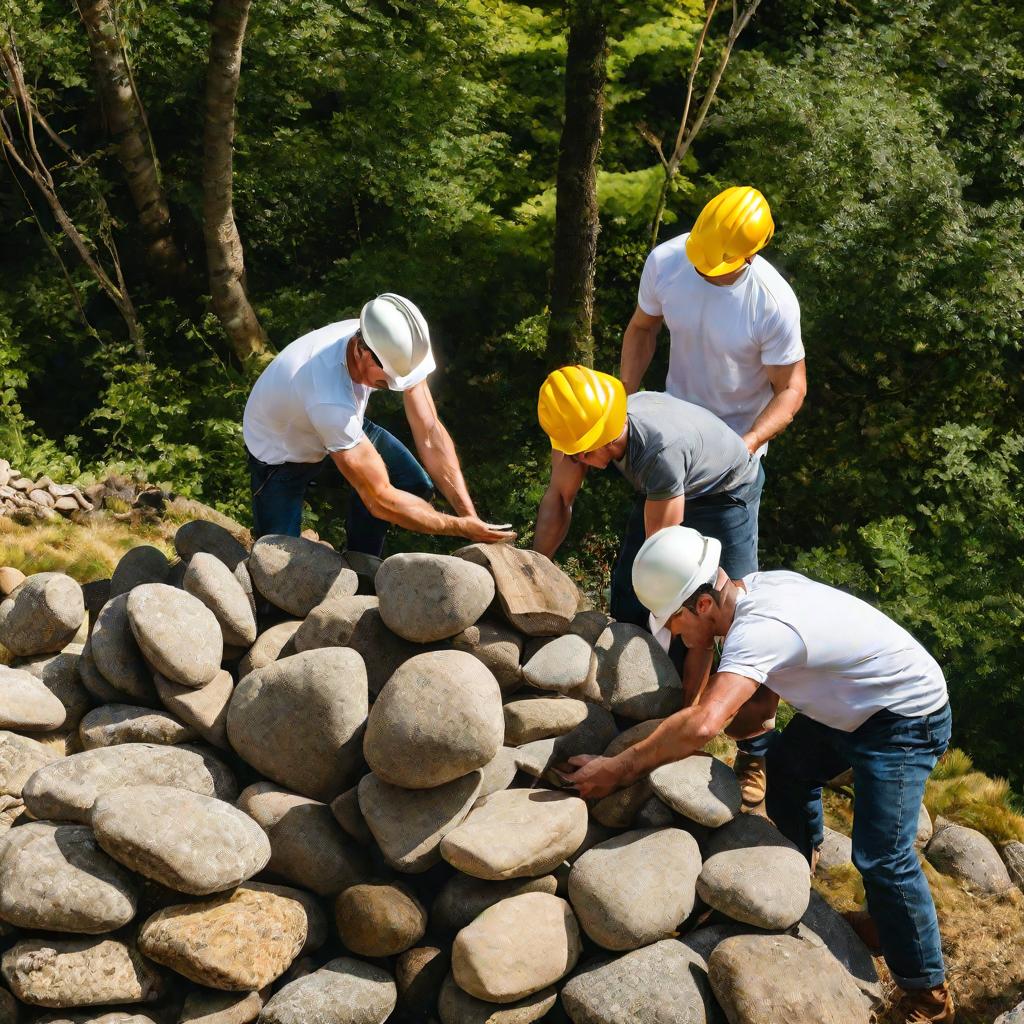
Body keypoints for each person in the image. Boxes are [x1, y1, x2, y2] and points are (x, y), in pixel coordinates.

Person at [561, 525, 954, 1024]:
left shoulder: (759, 627)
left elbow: (707, 723)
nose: (676, 634)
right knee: (789, 769)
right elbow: (757, 703)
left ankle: (929, 993)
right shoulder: (756, 591)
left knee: (882, 854)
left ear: (703, 604)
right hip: (855, 703)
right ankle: (799, 874)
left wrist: (621, 768)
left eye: (675, 621)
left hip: (903, 717)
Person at [619, 184, 808, 803]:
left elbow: (791, 389)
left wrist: (746, 444)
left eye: (718, 264)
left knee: (738, 617)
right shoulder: (670, 260)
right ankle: (638, 715)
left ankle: (754, 752)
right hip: (668, 451)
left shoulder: (771, 301)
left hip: (732, 477)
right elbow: (642, 328)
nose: (704, 268)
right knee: (642, 588)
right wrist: (623, 401)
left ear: (752, 254)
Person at [533, 365, 765, 712]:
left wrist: (669, 608)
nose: (576, 460)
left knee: (718, 610)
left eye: (582, 452)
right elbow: (559, 498)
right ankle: (626, 697)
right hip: (670, 486)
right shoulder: (579, 428)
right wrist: (535, 567)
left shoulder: (659, 452)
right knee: (629, 597)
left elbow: (667, 571)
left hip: (727, 493)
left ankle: (694, 723)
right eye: (572, 451)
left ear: (608, 436)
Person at [243, 293, 514, 553]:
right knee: (275, 560)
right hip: (280, 452)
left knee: (412, 482)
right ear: (362, 351)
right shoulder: (329, 398)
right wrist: (459, 528)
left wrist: (469, 515)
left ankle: (361, 562)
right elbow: (380, 499)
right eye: (386, 380)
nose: (391, 387)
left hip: (338, 425)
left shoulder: (397, 348)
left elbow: (430, 432)